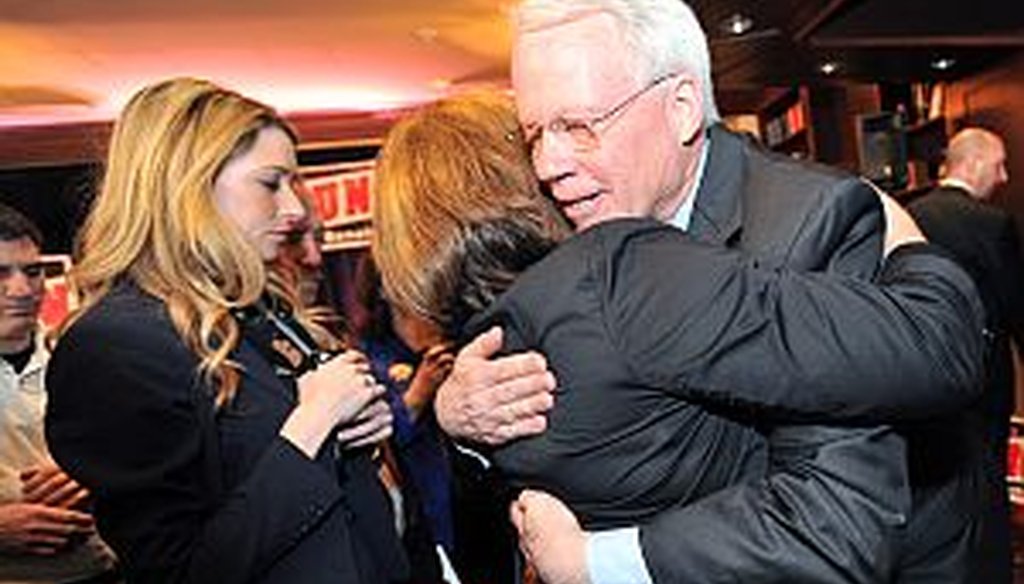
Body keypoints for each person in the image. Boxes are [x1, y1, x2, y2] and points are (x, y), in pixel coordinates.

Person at [431, 1, 989, 582]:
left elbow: (829, 526)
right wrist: (460, 421)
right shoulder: (576, 222)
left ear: (681, 108)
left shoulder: (811, 224)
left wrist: (593, 562)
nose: (548, 164)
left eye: (577, 126)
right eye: (534, 135)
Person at [43, 78, 407, 584]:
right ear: (191, 187)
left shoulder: (259, 312)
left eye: (293, 183)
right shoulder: (113, 345)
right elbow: (181, 572)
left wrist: (355, 433)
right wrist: (313, 424)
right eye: (270, 183)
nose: (295, 210)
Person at [908, 127, 1024, 583]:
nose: (1004, 176)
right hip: (985, 382)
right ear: (973, 164)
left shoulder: (908, 215)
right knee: (989, 488)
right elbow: (1016, 308)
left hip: (925, 381)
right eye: (999, 165)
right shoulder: (992, 224)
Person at [0, 203, 118, 583]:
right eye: (0, 274)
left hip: (104, 568)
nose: (21, 290)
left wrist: (98, 470)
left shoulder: (88, 356)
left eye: (32, 271)